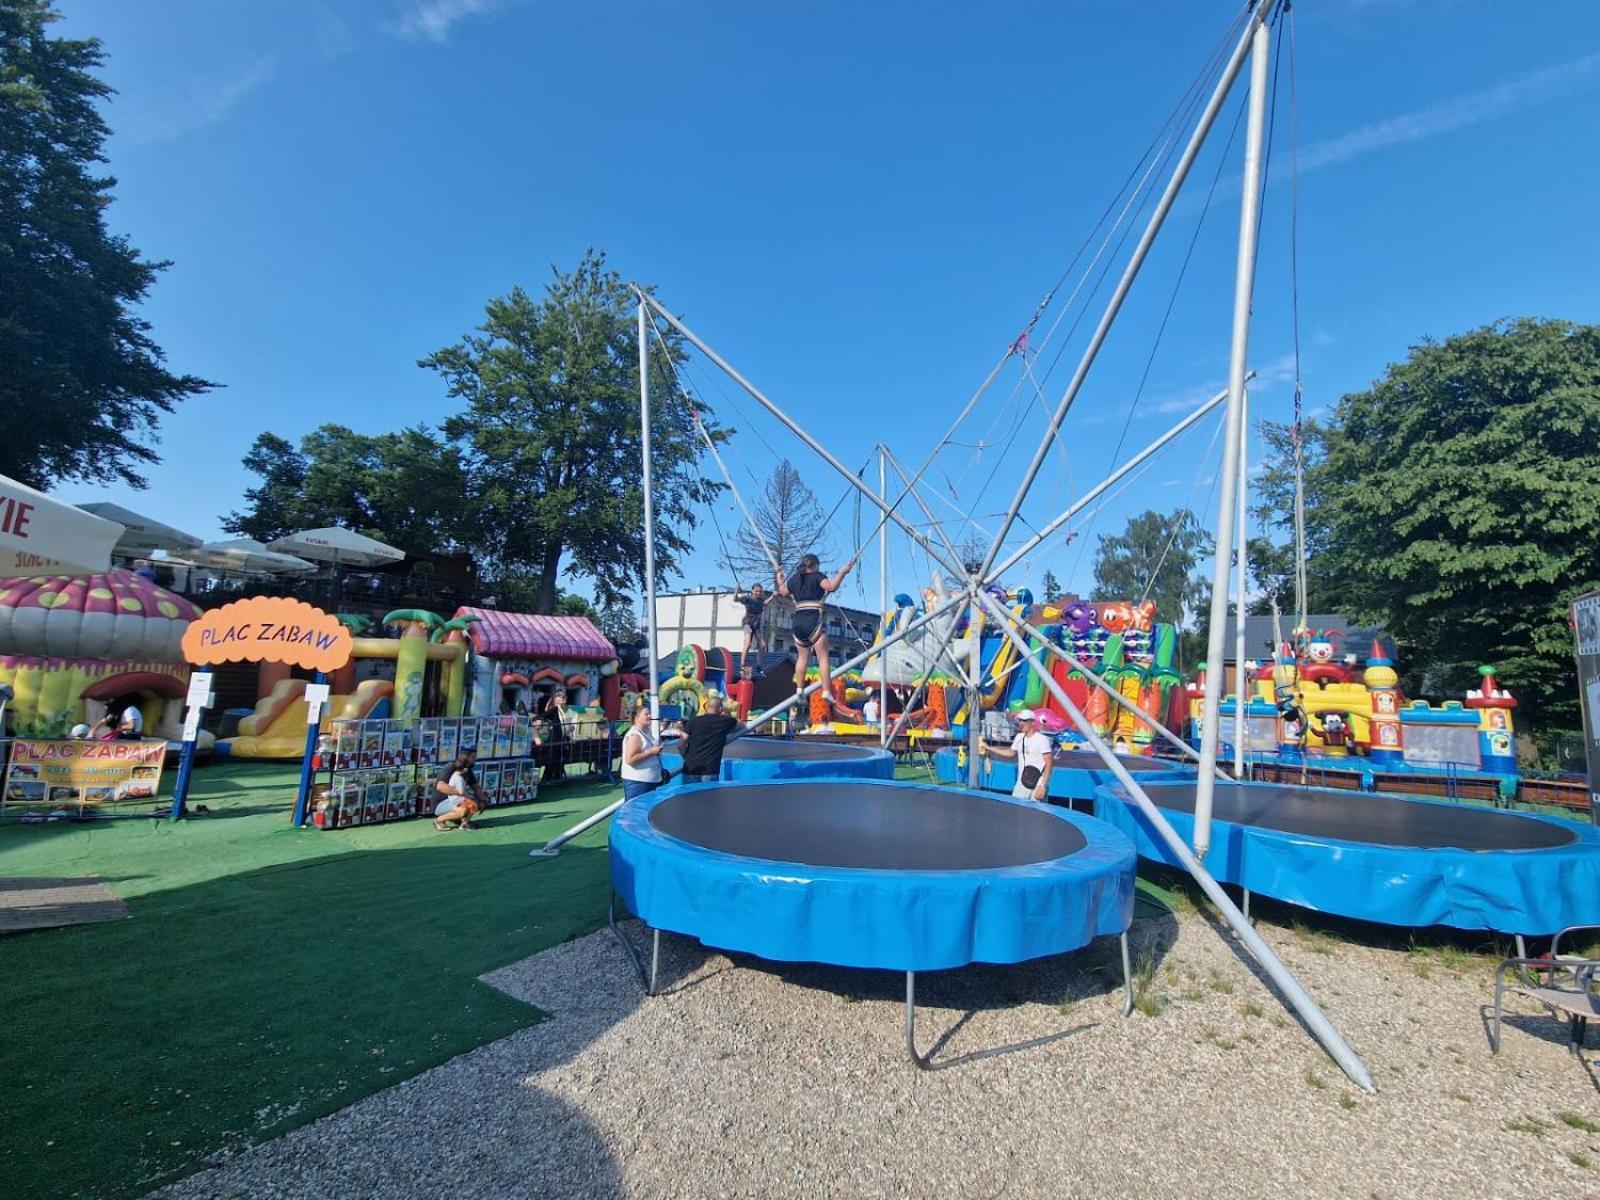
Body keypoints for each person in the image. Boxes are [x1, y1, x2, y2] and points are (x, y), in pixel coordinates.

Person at [775, 554, 854, 722]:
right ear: (816, 565)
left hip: (798, 622)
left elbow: (782, 591)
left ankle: (799, 690)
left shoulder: (796, 579)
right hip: (812, 619)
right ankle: (826, 691)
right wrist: (843, 572)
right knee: (823, 657)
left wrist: (780, 579)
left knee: (802, 658)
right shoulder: (818, 577)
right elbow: (831, 587)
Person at [980, 709, 1054, 802]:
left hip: (1037, 784)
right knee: (1016, 808)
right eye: (1020, 721)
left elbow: (1049, 764)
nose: (1021, 723)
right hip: (1022, 783)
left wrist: (1043, 785)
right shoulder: (1019, 737)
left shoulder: (1042, 739)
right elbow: (1011, 752)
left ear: (1032, 722)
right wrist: (989, 748)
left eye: (1025, 721)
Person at [678, 691, 741, 784]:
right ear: (720, 708)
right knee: (708, 798)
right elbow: (743, 726)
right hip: (710, 770)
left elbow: (681, 744)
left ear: (707, 707)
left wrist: (686, 757)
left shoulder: (693, 721)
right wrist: (728, 714)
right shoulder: (725, 721)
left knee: (688, 797)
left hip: (691, 767)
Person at [620, 703, 678, 801]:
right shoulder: (635, 735)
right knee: (636, 811)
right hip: (638, 783)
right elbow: (630, 759)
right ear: (637, 718)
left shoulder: (646, 732)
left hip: (648, 780)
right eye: (646, 714)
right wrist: (652, 752)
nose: (650, 716)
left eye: (649, 714)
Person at [433, 749, 485, 830]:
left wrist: (483, 800)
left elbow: (475, 786)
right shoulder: (450, 767)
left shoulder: (467, 770)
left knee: (476, 802)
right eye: (473, 757)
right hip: (441, 802)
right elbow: (440, 786)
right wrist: (462, 794)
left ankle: (464, 822)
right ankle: (439, 820)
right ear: (465, 758)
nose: (475, 759)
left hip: (456, 800)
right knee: (464, 809)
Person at [733, 583, 769, 674]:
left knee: (763, 645)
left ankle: (759, 665)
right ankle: (742, 664)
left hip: (757, 624)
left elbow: (766, 603)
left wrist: (774, 596)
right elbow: (735, 599)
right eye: (756, 591)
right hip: (748, 623)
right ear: (752, 591)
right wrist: (737, 590)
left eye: (760, 592)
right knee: (748, 643)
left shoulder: (761, 600)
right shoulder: (747, 598)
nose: (758, 593)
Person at [541, 691, 569, 781]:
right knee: (555, 757)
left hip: (557, 739)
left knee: (553, 756)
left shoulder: (559, 710)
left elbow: (543, 716)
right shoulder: (563, 710)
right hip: (560, 739)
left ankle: (550, 776)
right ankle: (554, 776)